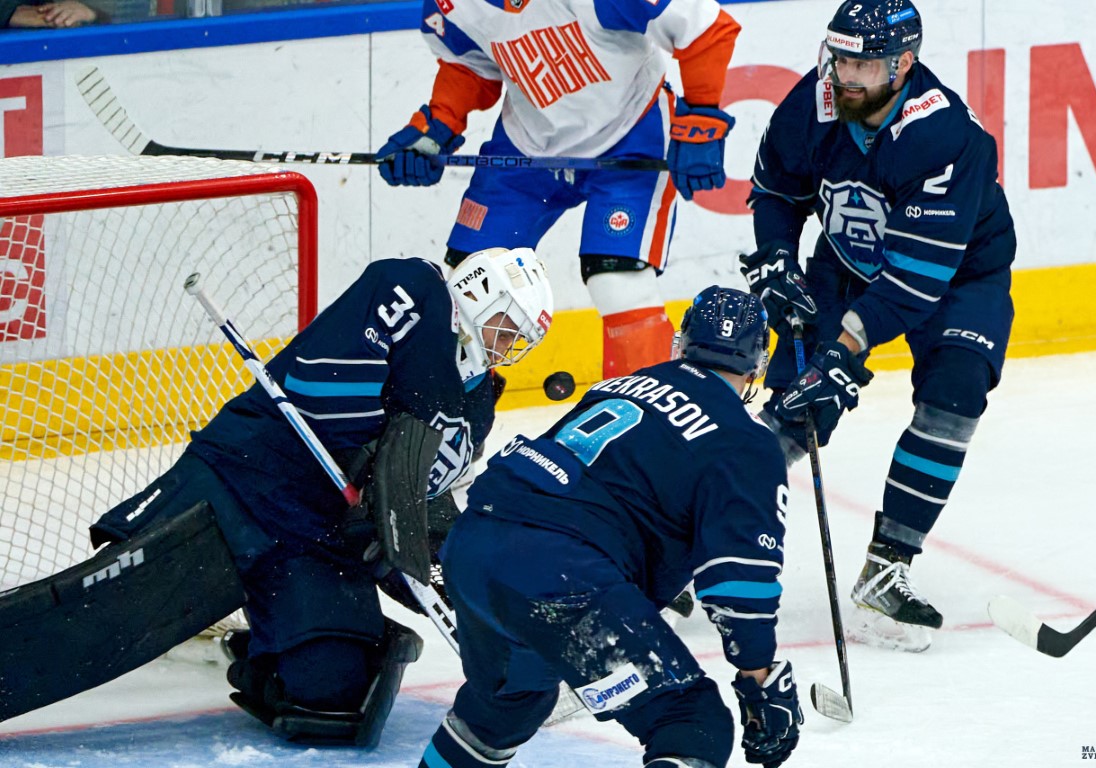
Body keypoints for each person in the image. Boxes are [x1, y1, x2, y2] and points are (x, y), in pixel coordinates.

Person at [0, 247, 554, 746]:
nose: (510, 346)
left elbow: (418, 500)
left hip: (316, 539)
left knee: (335, 702)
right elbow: (323, 382)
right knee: (98, 615)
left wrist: (427, 561)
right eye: (509, 325)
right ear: (480, 290)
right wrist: (378, 481)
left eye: (522, 340)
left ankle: (260, 644)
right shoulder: (414, 288)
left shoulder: (476, 406)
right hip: (247, 479)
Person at [418, 285, 803, 768]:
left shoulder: (624, 385)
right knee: (690, 723)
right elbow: (739, 581)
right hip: (559, 575)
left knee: (507, 702)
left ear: (680, 344)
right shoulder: (747, 441)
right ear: (756, 367)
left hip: (474, 543)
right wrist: (757, 676)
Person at [739, 0, 1015, 652]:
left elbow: (913, 283)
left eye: (862, 62)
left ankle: (887, 565)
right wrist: (778, 261)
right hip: (841, 266)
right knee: (795, 409)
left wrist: (840, 349)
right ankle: (690, 539)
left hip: (957, 281)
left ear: (903, 64)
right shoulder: (812, 103)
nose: (844, 74)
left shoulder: (944, 137)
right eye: (839, 57)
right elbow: (777, 192)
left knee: (955, 391)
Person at [376, 0, 741, 379]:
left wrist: (702, 117)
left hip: (631, 134)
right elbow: (469, 63)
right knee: (469, 285)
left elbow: (706, 27)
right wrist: (436, 126)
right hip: (526, 146)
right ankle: (446, 418)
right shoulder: (453, 5)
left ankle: (653, 418)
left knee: (618, 284)